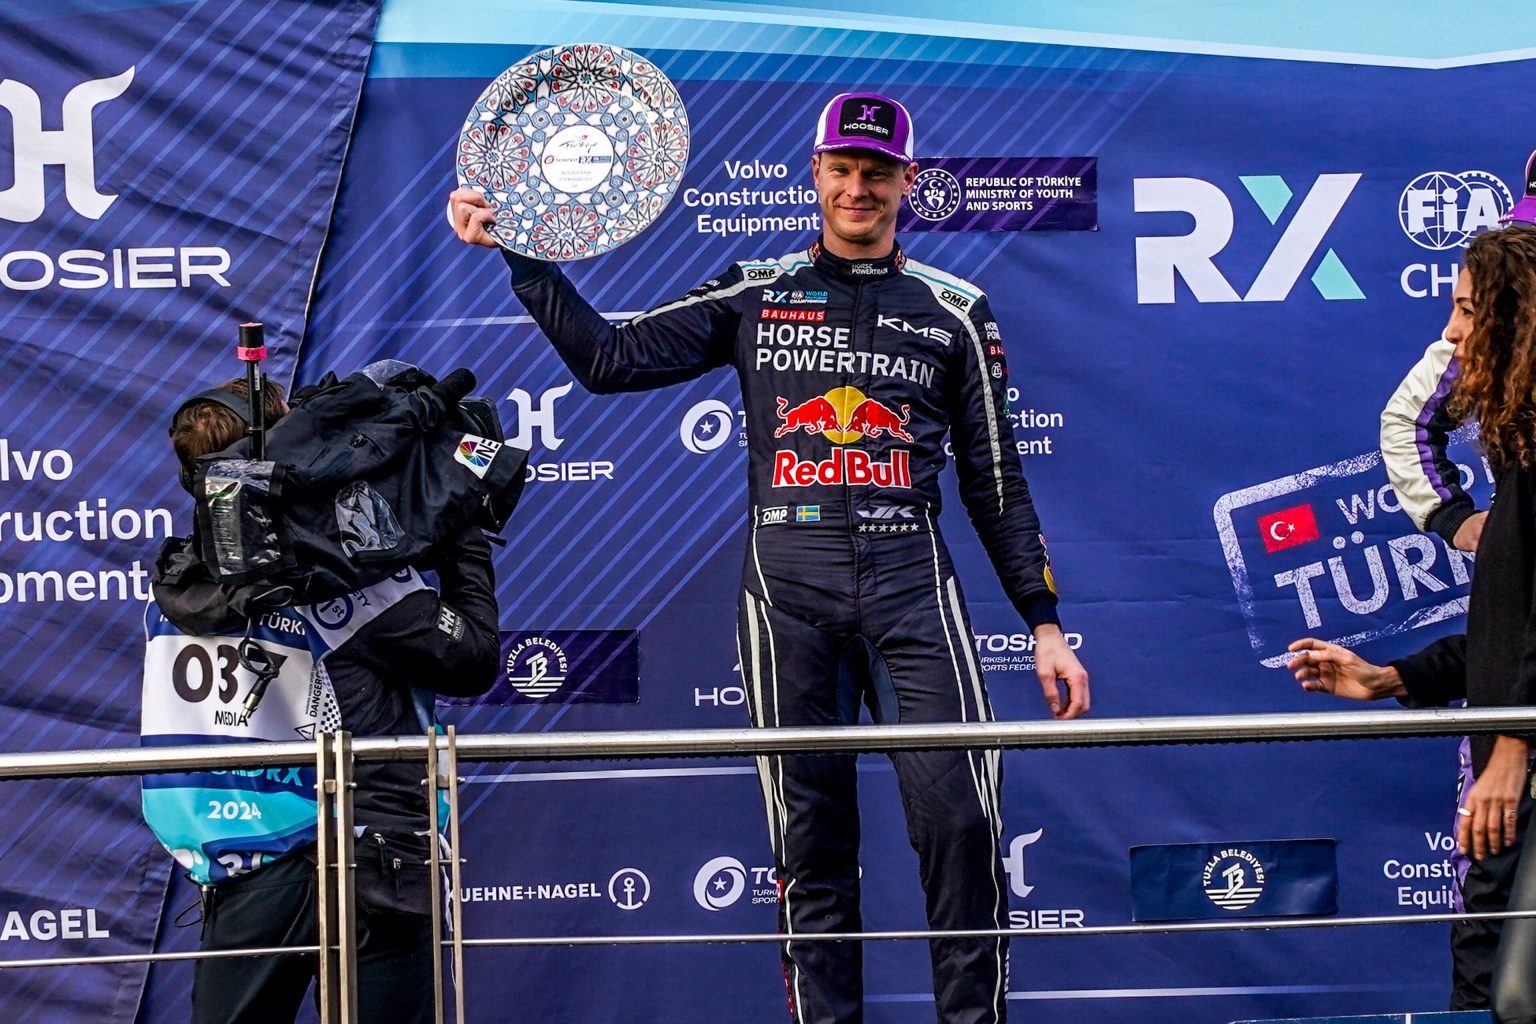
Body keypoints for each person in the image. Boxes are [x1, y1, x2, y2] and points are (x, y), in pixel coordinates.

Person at [448, 91, 1089, 1024]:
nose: (858, 188)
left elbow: (996, 479)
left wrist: (1044, 623)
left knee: (959, 824)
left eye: (878, 173)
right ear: (816, 174)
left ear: (908, 182)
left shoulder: (955, 310)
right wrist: (522, 252)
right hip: (788, 592)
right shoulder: (757, 289)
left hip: (913, 588)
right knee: (811, 844)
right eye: (843, 169)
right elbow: (610, 360)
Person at [142, 375, 500, 1024]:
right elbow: (473, 657)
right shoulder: (353, 587)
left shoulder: (173, 588)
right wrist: (458, 524)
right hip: (368, 857)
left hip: (242, 867)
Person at [1289, 224, 1536, 1022]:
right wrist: (1392, 676)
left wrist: (1514, 744)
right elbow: (1506, 628)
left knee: (1509, 992)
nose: (1451, 334)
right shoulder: (1518, 459)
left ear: (1520, 319)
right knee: (1484, 980)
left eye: (1467, 311)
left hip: (1517, 761)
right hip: (1506, 757)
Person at [1379, 265, 1487, 554]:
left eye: (1467, 311)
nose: (1452, 330)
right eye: (1463, 309)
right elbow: (1407, 419)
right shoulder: (1473, 345)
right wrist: (1450, 515)